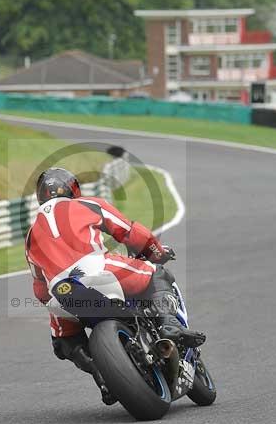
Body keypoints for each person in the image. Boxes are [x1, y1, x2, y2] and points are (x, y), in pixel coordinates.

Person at [25, 167, 204, 403]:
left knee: (64, 340)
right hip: (96, 268)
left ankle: (101, 375)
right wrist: (156, 252)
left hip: (60, 291)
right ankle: (170, 325)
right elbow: (129, 231)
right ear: (72, 189)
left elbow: (40, 288)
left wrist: (54, 304)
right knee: (156, 273)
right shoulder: (87, 204)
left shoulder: (30, 236)